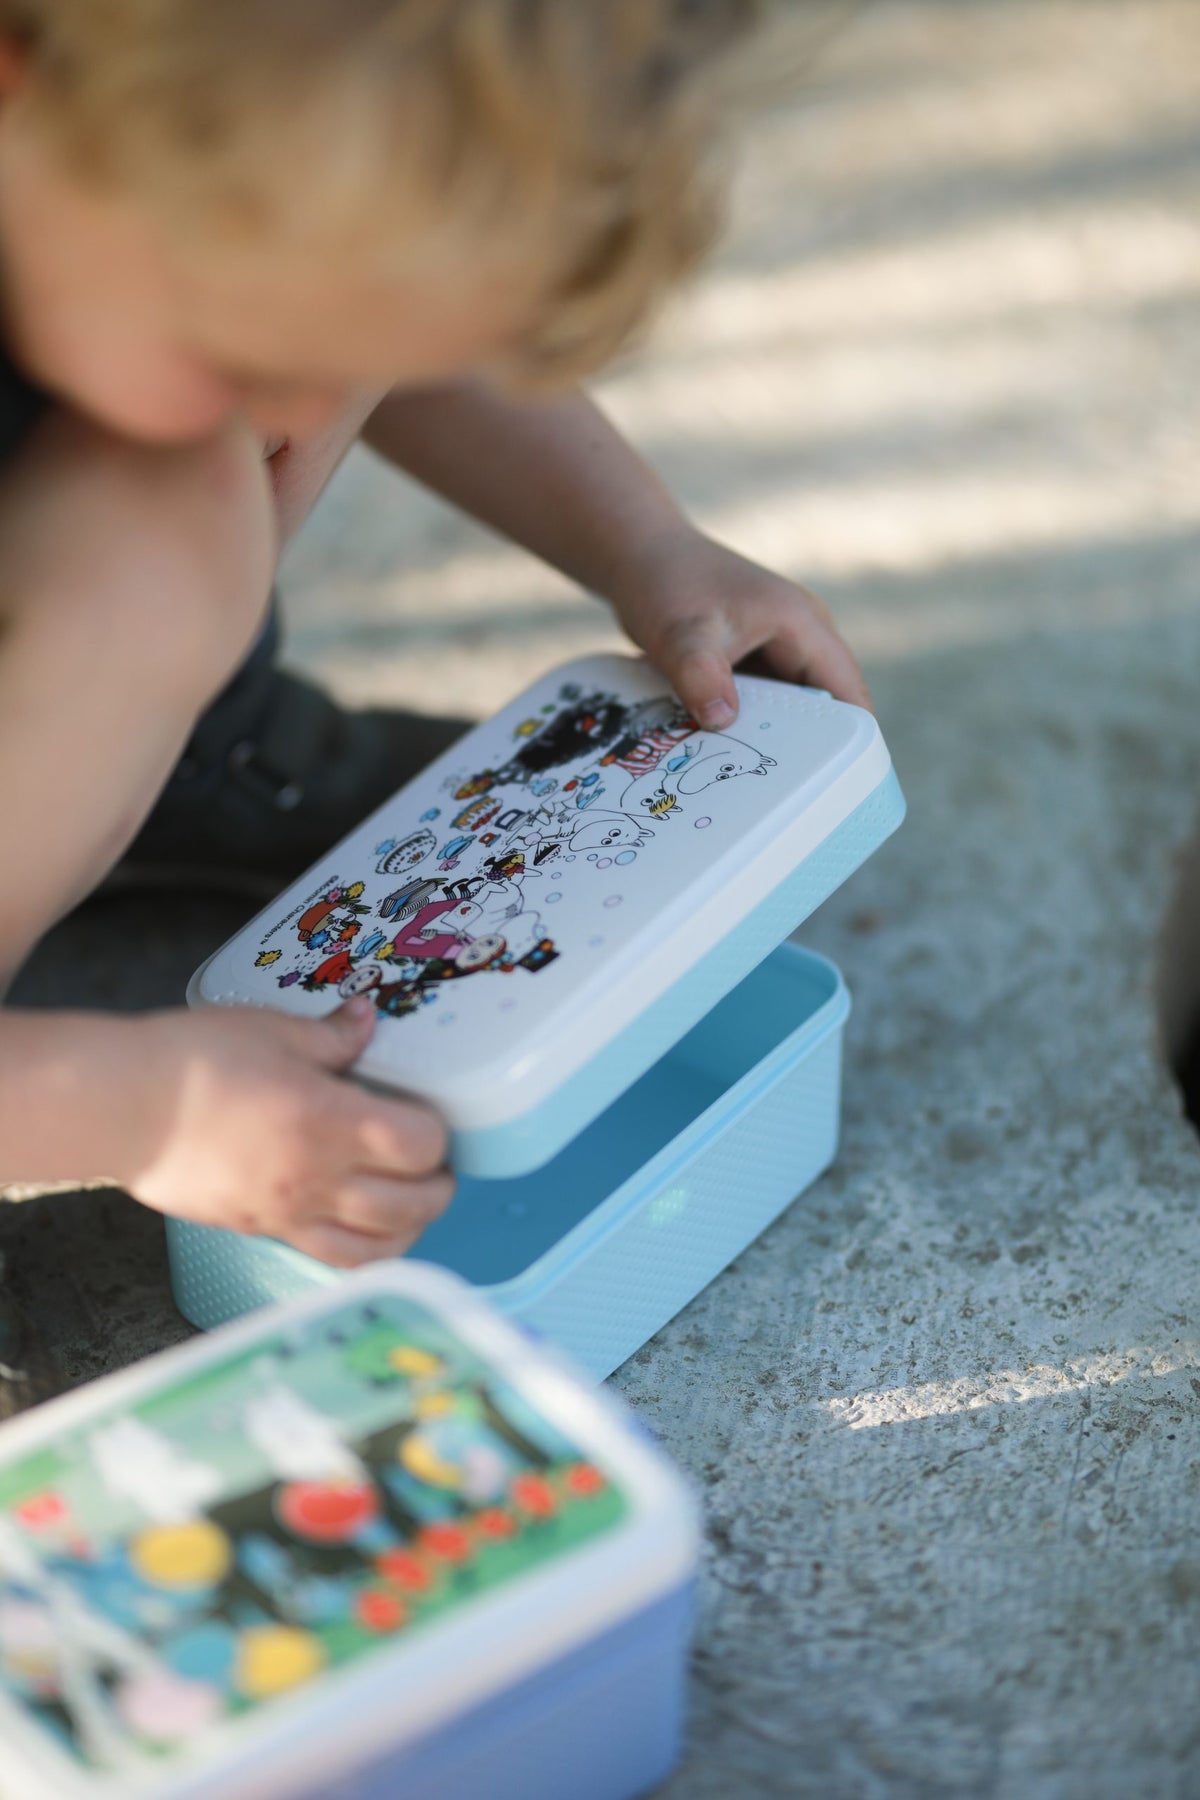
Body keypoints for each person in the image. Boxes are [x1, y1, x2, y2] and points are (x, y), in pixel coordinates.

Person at [0, 0, 870, 1282]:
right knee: (163, 527)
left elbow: (383, 317)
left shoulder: (143, 156)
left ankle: (182, 750)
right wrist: (141, 1105)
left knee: (178, 493)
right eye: (251, 343)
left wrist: (647, 545)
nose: (304, 413)